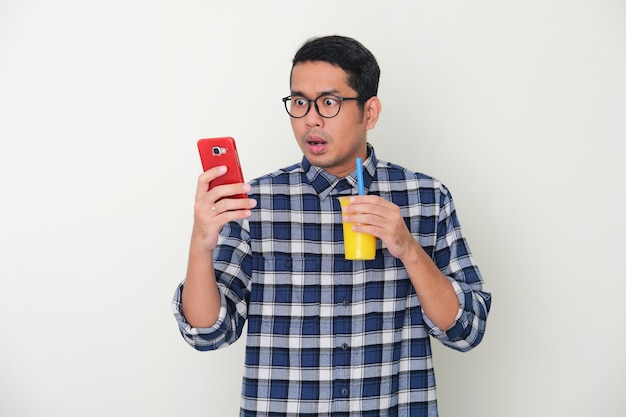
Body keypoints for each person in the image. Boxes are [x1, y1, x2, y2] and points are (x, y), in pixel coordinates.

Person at [173, 35, 491, 417]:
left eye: (329, 102)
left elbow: (466, 330)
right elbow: (208, 333)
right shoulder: (255, 202)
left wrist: (407, 247)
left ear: (370, 112)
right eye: (299, 102)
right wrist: (200, 247)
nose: (310, 119)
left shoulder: (426, 196)